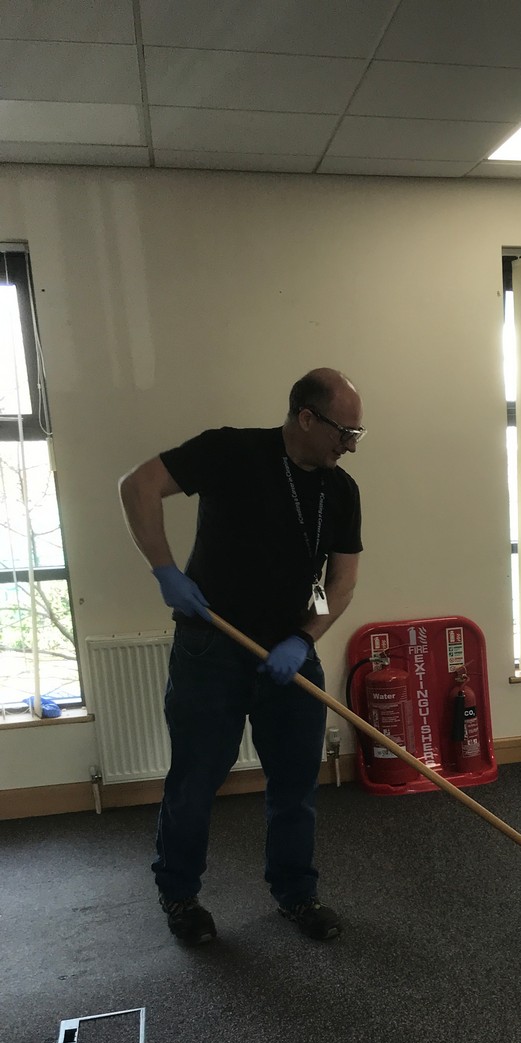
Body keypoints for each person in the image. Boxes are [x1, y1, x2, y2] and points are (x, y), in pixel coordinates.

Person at [119, 368, 364, 944]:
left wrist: (304, 638)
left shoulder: (341, 490)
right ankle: (180, 895)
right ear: (307, 417)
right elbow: (138, 486)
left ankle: (296, 894)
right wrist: (165, 571)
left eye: (358, 434)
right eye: (345, 432)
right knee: (196, 779)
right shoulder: (229, 452)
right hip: (211, 646)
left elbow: (341, 582)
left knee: (295, 784)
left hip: (289, 653)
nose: (351, 445)